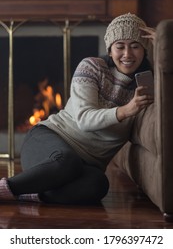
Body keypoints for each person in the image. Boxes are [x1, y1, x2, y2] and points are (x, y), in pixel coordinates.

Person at [0, 13, 154, 204]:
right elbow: (84, 119)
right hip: (48, 142)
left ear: (145, 48)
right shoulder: (92, 67)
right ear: (110, 49)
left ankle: (31, 192)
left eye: (135, 46)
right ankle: (6, 188)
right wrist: (125, 110)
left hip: (85, 166)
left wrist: (164, 43)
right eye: (120, 46)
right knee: (67, 161)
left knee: (98, 184)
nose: (127, 54)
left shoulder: (147, 84)